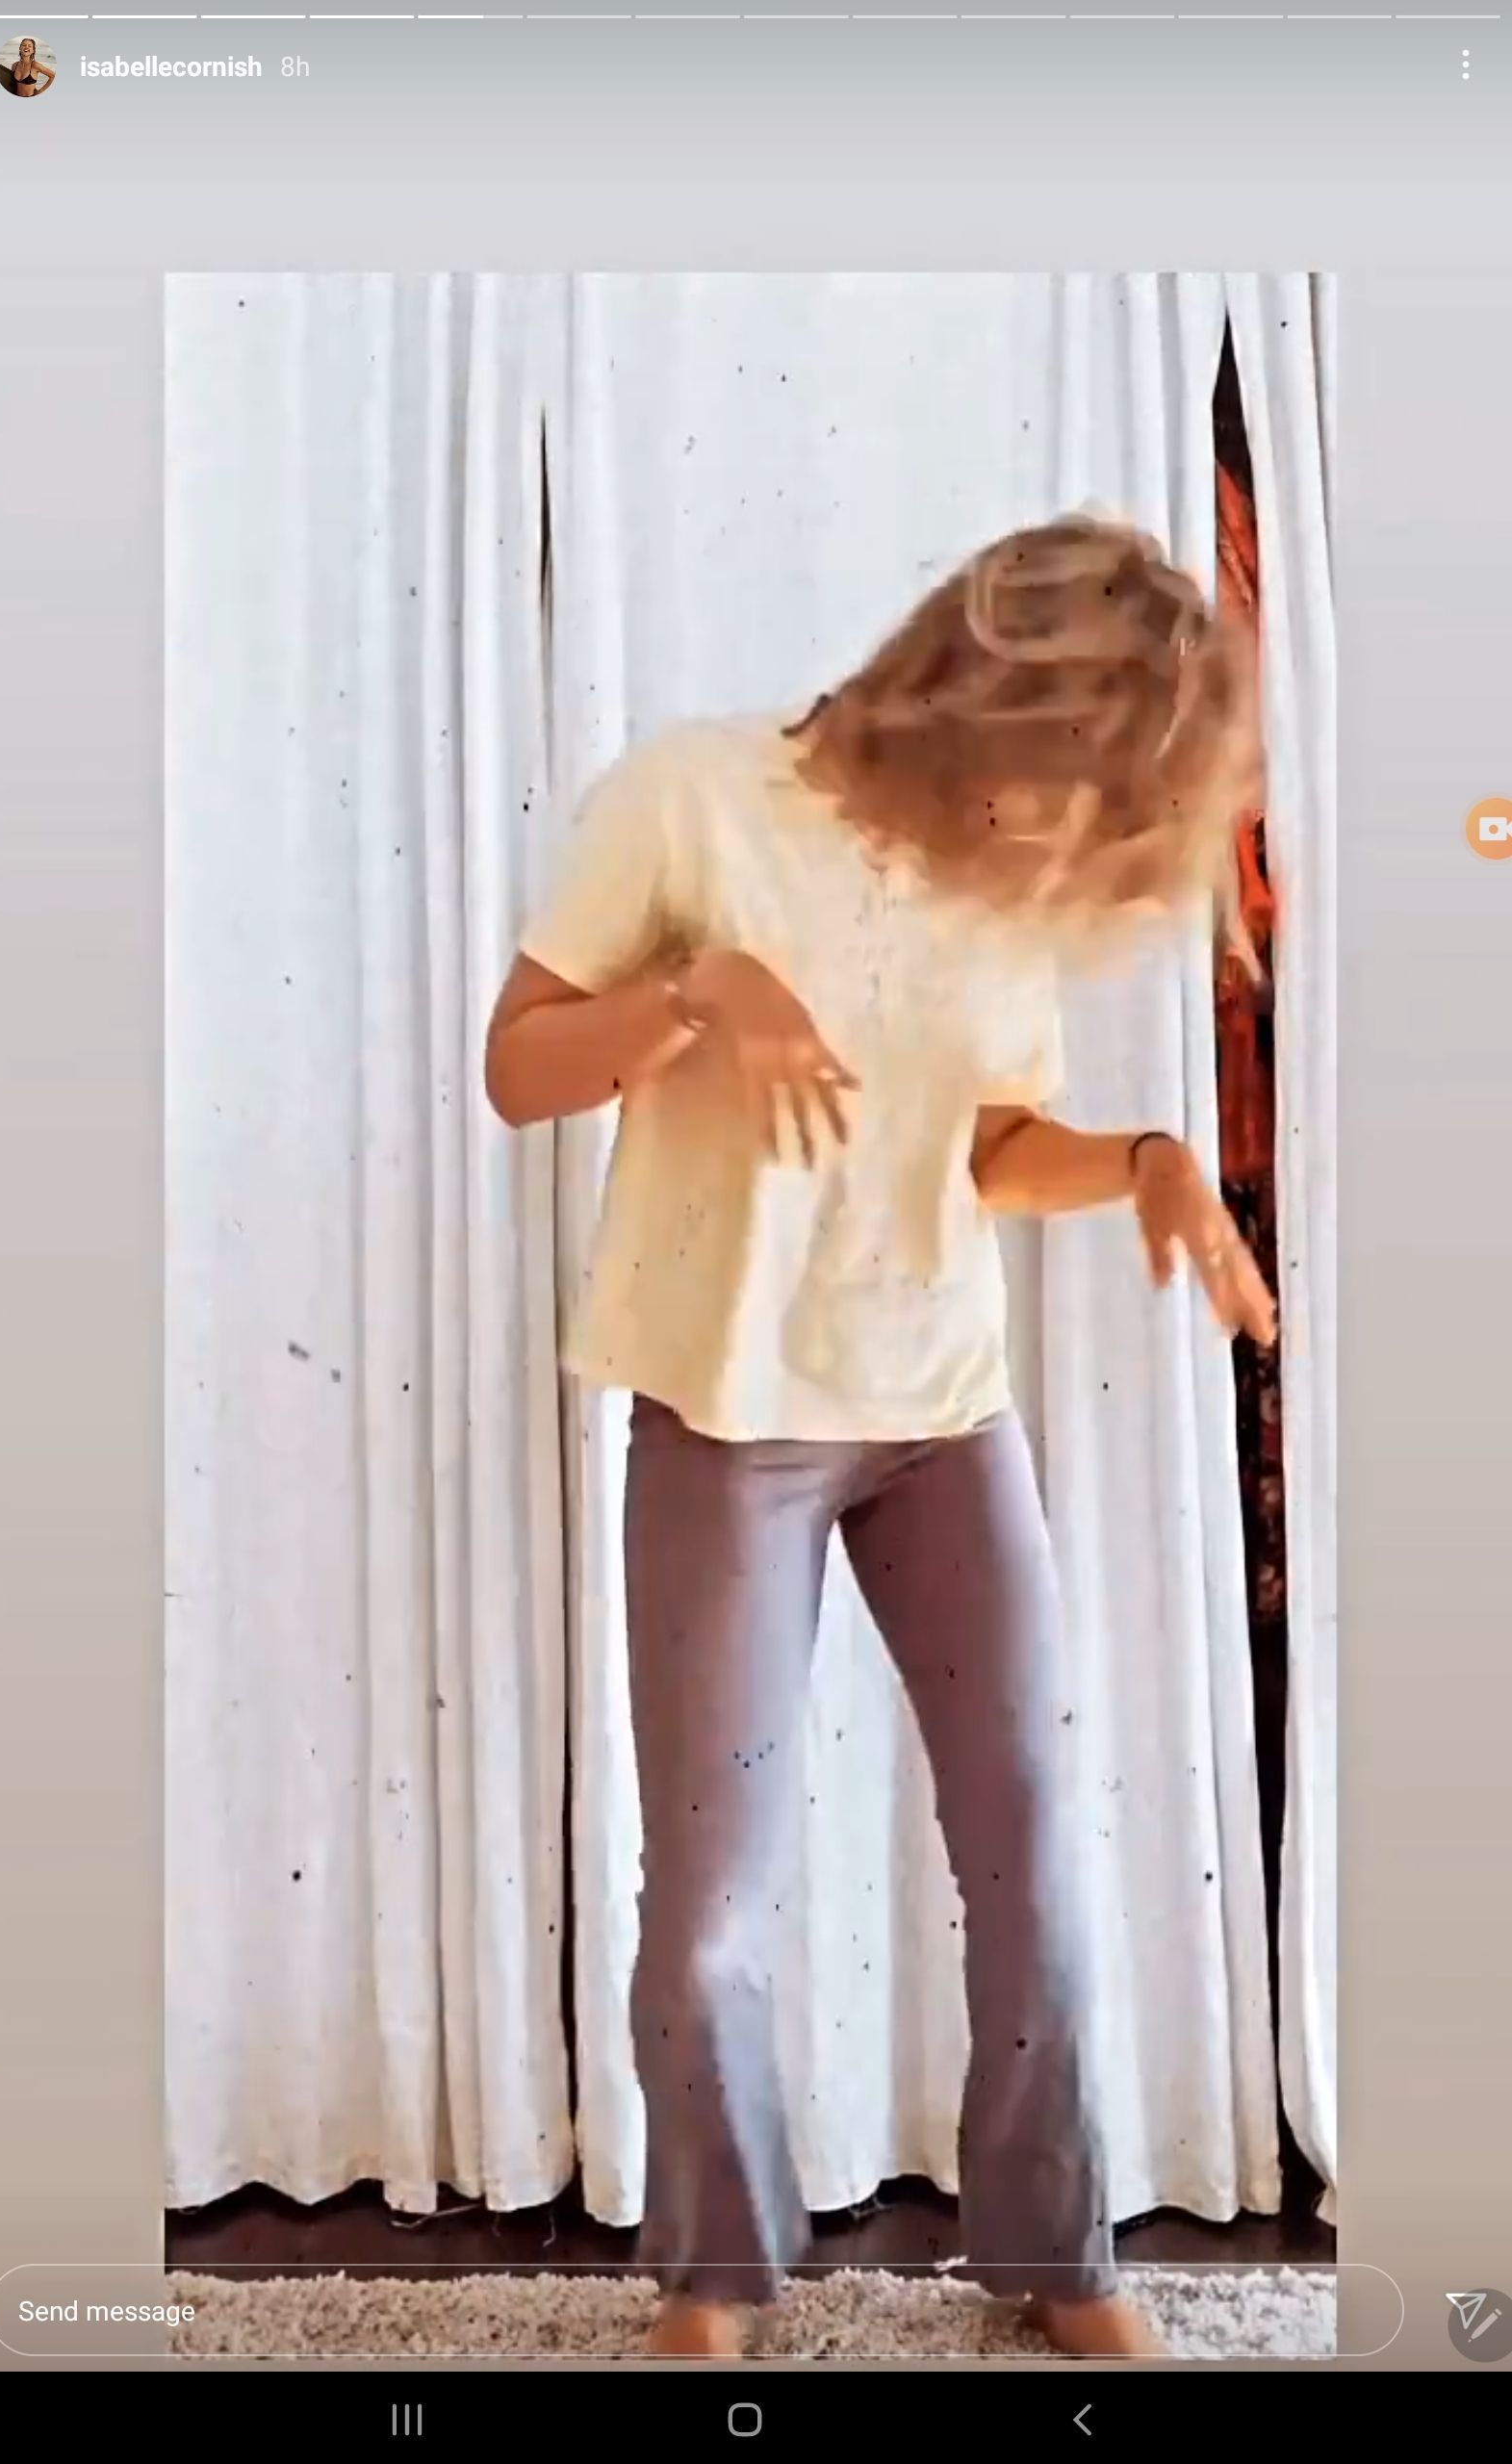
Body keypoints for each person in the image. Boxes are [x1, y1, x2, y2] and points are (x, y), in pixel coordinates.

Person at [485, 512, 1276, 2361]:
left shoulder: (1002, 877)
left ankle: (1057, 2255)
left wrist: (1148, 1163)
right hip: (732, 1421)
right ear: (979, 693)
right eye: (1069, 781)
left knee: (1037, 1860)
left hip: (942, 1419)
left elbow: (986, 1145)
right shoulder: (693, 800)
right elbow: (520, 1068)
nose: (1069, 836)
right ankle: (715, 2275)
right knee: (709, 1914)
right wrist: (688, 996)